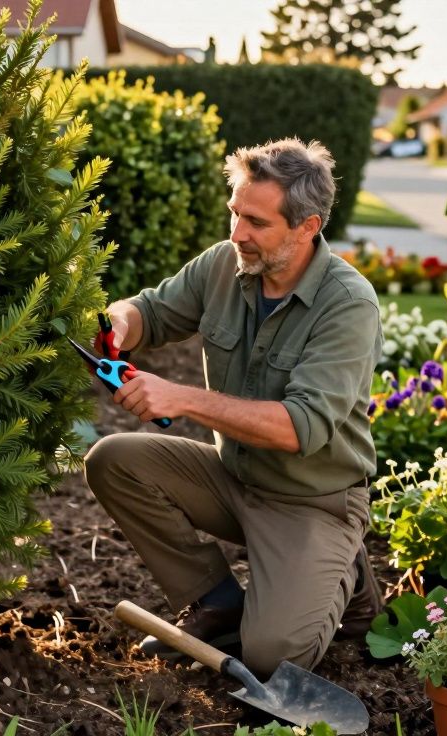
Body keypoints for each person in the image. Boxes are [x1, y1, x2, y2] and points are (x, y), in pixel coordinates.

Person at [84, 138, 385, 678]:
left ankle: (348, 570)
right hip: (234, 479)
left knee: (271, 657)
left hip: (311, 502)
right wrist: (118, 324)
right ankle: (216, 600)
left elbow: (301, 427)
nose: (237, 233)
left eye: (257, 222)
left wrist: (182, 397)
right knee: (114, 461)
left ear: (307, 227)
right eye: (235, 213)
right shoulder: (226, 264)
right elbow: (151, 311)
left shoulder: (348, 305)